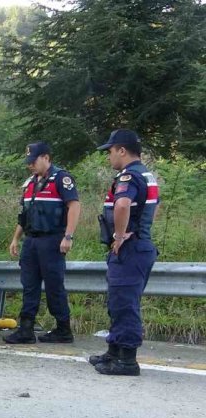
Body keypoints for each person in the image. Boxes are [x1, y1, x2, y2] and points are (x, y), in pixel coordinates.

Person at [88, 129, 159, 376]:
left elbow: (122, 204)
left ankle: (127, 360)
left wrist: (119, 236)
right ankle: (114, 351)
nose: (108, 156)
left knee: (125, 304)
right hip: (139, 246)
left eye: (109, 151)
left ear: (122, 150)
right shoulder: (146, 175)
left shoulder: (129, 176)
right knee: (119, 302)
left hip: (130, 248)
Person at [4, 142, 81, 345]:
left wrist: (68, 236)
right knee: (29, 285)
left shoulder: (61, 178)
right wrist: (16, 238)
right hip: (31, 240)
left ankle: (63, 329)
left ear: (46, 157)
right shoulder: (30, 183)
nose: (30, 166)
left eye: (34, 161)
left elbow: (74, 205)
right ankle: (26, 329)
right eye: (28, 162)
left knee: (54, 285)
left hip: (52, 239)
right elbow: (24, 215)